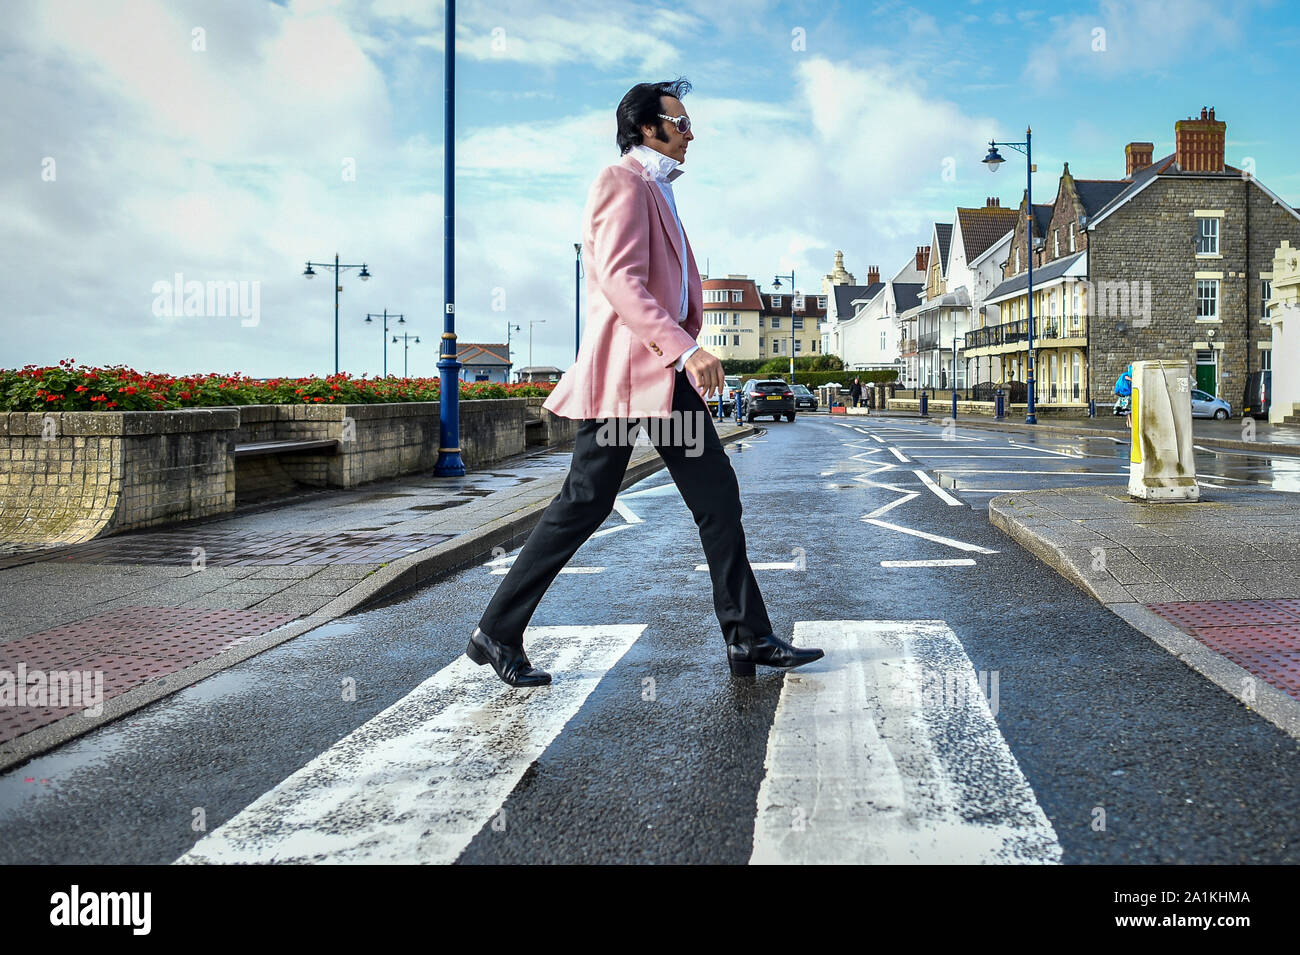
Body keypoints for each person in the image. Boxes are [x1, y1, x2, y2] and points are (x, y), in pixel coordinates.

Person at [467, 78, 823, 687]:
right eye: (680, 123)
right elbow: (620, 281)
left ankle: (747, 637)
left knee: (715, 495)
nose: (691, 134)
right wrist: (685, 349)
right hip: (627, 377)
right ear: (645, 127)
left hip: (659, 379)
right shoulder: (620, 182)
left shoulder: (658, 190)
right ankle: (496, 631)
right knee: (586, 501)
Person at [1113, 363, 1133, 429]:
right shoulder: (1126, 376)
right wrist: (1130, 379)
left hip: (1124, 396)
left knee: (1128, 410)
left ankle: (1129, 423)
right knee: (1129, 410)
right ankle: (1130, 423)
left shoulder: (1124, 375)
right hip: (1128, 396)